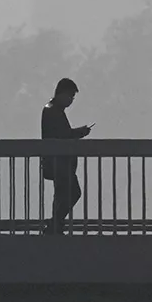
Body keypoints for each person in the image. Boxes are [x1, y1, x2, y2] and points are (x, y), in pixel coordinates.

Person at [41, 78, 92, 235]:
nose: (71, 100)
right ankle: (55, 222)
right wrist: (79, 133)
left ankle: (55, 226)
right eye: (70, 96)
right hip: (59, 162)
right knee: (73, 192)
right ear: (62, 93)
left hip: (58, 162)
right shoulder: (52, 111)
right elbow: (62, 135)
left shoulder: (52, 109)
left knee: (61, 195)